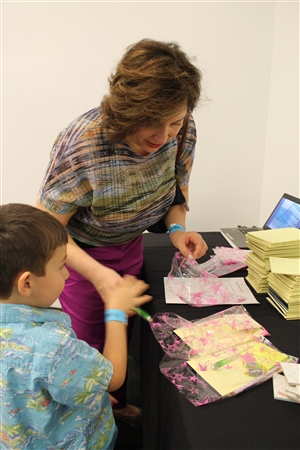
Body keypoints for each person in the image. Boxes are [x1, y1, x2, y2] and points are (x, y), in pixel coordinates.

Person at [36, 38, 208, 423]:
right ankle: (91, 422)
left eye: (175, 123)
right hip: (80, 258)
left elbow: (176, 191)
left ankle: (115, 406)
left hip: (132, 245)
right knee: (91, 345)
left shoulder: (181, 129)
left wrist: (177, 229)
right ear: (128, 110)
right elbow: (47, 226)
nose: (164, 137)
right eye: (154, 123)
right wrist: (99, 276)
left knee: (123, 334)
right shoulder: (82, 144)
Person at [0, 203, 151, 449]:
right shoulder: (52, 348)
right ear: (26, 283)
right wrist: (116, 312)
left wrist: (86, 383)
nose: (68, 275)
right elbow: (113, 378)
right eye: (61, 266)